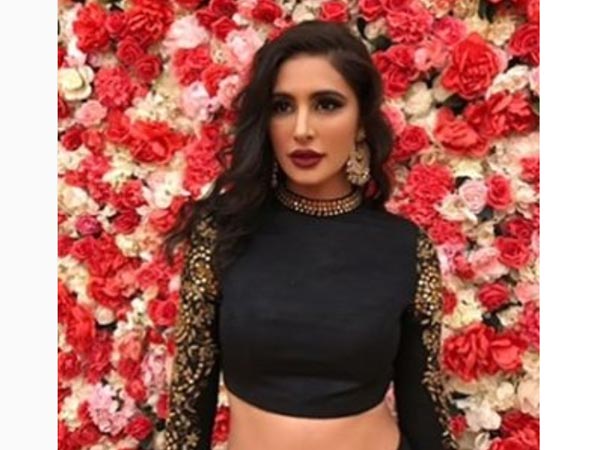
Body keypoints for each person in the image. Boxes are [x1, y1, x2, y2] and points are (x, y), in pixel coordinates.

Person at [162, 20, 455, 450]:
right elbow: (190, 405)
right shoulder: (223, 234)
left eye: (326, 104)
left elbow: (423, 402)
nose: (301, 129)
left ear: (361, 121)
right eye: (283, 106)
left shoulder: (406, 249)